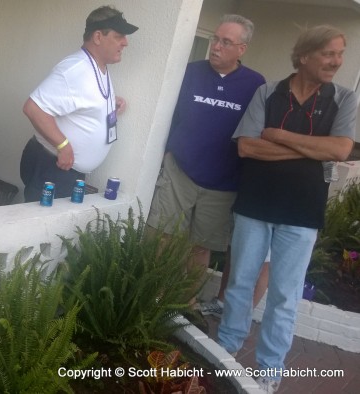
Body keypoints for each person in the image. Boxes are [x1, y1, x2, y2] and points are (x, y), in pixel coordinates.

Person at [218, 25, 357, 393]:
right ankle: (227, 348)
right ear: (304, 56)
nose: (336, 62)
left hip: (302, 212)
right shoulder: (268, 93)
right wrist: (313, 148)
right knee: (239, 283)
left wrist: (277, 136)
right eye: (329, 53)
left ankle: (270, 369)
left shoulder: (343, 99)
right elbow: (247, 147)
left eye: (340, 54)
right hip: (255, 205)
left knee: (284, 295)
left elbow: (340, 150)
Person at [145, 15, 267, 309]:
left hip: (223, 181)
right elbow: (169, 112)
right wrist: (166, 153)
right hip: (180, 170)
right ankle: (151, 294)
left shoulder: (255, 84)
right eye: (215, 39)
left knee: (201, 247)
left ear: (242, 48)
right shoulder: (191, 72)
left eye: (226, 42)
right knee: (161, 235)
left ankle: (187, 303)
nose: (216, 47)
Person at [20, 5, 137, 202]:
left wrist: (108, 105)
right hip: (53, 167)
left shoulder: (98, 67)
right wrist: (63, 146)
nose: (125, 43)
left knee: (56, 229)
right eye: (119, 36)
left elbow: (80, 102)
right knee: (40, 228)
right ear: (98, 37)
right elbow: (33, 108)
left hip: (65, 170)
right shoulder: (75, 70)